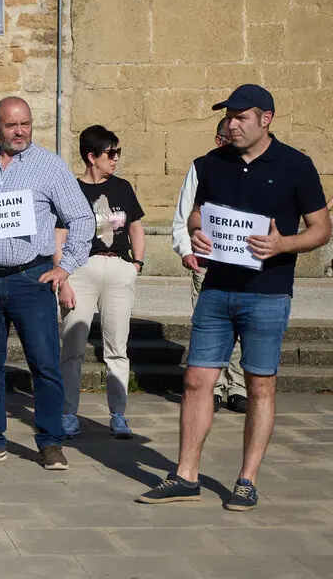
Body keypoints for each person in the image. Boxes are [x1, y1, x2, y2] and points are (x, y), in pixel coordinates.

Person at [138, 84, 329, 511]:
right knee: (195, 380)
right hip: (216, 289)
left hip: (268, 293)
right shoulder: (211, 164)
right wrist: (195, 230)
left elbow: (321, 228)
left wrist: (283, 245)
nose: (233, 123)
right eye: (229, 116)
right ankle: (185, 474)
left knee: (260, 385)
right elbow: (197, 213)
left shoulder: (297, 165)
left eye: (242, 116)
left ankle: (247, 480)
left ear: (267, 119)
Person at [0, 96, 92, 470]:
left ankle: (50, 441)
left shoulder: (49, 166)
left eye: (25, 123)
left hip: (32, 277)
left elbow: (82, 218)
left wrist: (66, 267)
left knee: (44, 363)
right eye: (11, 125)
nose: (20, 131)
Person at [57, 125, 145, 440]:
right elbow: (60, 235)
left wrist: (136, 264)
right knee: (73, 347)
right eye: (111, 153)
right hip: (80, 269)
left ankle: (118, 415)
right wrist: (62, 279)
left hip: (118, 266)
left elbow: (136, 227)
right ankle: (68, 413)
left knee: (117, 347)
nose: (116, 158)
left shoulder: (122, 187)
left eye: (117, 152)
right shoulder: (70, 188)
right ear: (92, 156)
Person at [172, 118, 246, 413]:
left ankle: (238, 386)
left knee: (242, 326)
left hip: (243, 264)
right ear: (219, 140)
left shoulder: (253, 169)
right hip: (208, 262)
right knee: (210, 327)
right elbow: (184, 211)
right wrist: (185, 249)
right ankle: (212, 386)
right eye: (231, 137)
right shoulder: (202, 167)